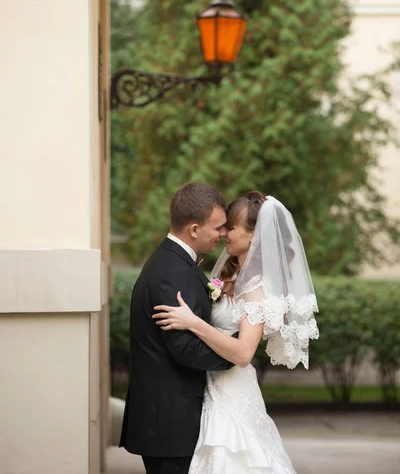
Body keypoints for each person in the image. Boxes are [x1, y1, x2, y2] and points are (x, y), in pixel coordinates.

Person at [153, 192, 319, 474]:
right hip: (208, 384)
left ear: (254, 236)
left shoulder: (257, 288)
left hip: (232, 390)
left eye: (230, 226)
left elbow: (243, 354)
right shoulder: (229, 275)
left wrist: (193, 323)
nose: (223, 233)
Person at [119, 182, 238, 474]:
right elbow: (185, 349)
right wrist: (237, 350)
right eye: (219, 227)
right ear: (194, 229)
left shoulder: (174, 264)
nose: (223, 234)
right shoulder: (172, 273)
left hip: (166, 421)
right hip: (169, 424)